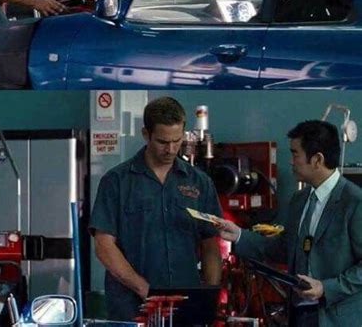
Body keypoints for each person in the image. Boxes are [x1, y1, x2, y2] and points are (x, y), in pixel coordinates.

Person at [89, 96, 222, 322]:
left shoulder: (199, 183)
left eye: (176, 141)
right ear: (146, 134)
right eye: (162, 142)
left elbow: (210, 244)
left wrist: (208, 298)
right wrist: (145, 290)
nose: (170, 149)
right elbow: (104, 246)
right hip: (131, 308)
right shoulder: (117, 181)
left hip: (184, 305)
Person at [217, 120, 362, 327]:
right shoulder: (299, 200)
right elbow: (284, 247)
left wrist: (325, 288)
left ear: (317, 159)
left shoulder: (355, 202)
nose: (291, 162)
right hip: (299, 316)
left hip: (337, 318)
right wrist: (239, 236)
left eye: (295, 154)